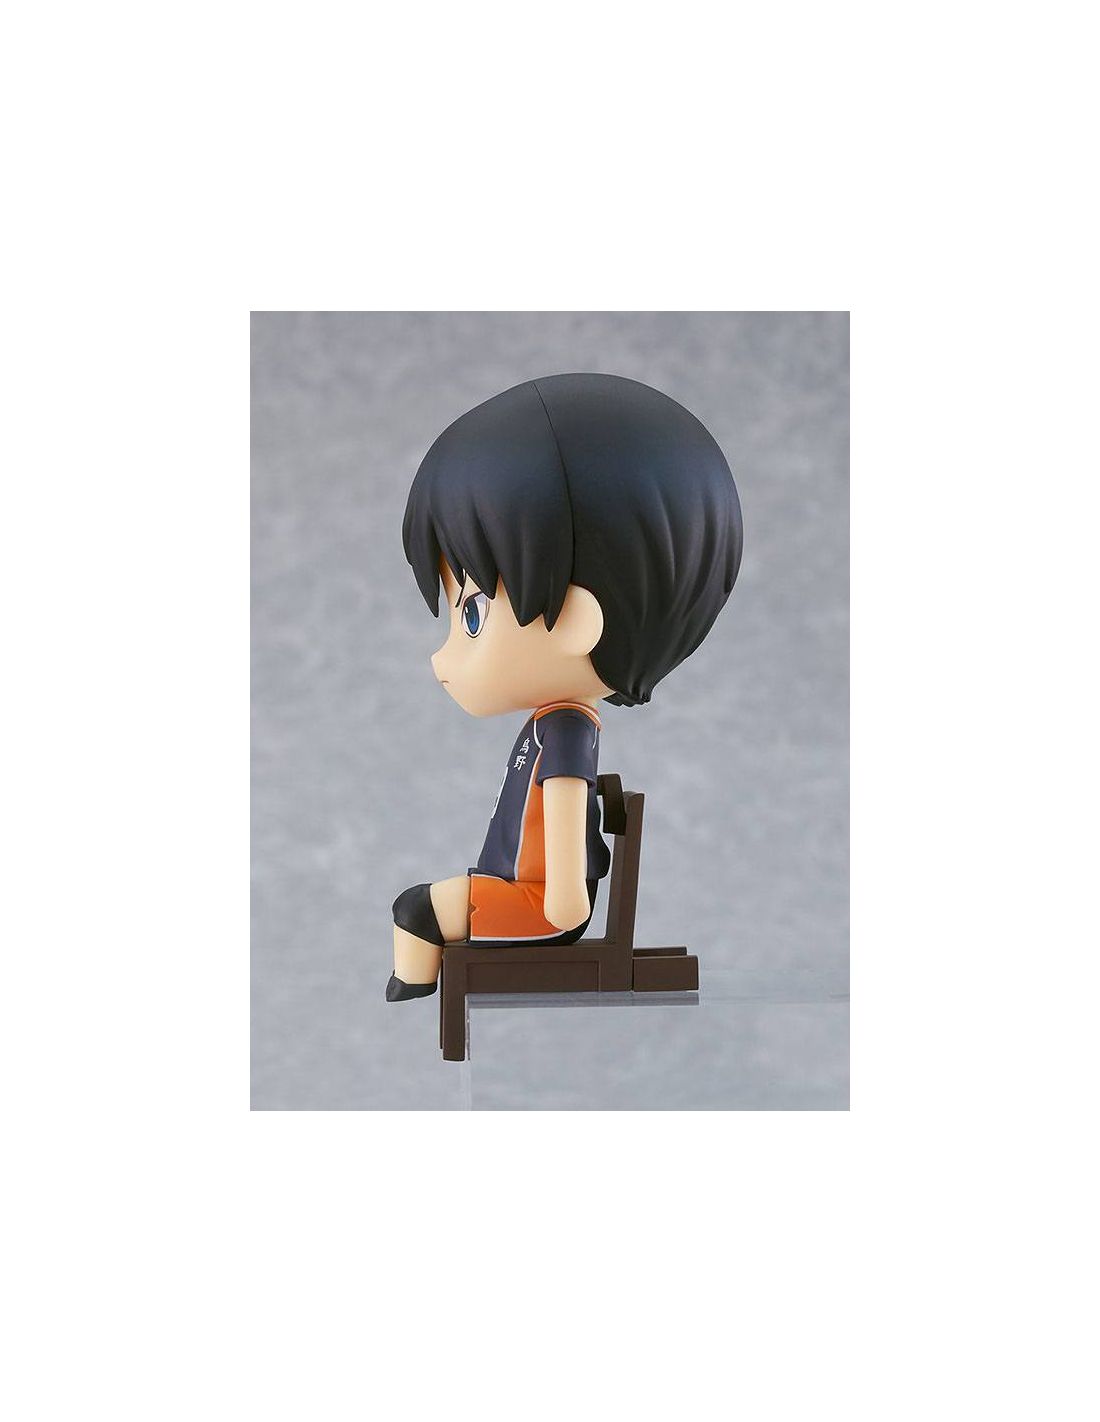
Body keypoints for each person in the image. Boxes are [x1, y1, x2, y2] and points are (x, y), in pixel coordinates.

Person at [386, 373, 743, 1000]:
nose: (445, 656)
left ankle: (414, 987)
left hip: (539, 905)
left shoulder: (568, 731)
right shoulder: (554, 722)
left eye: (473, 615)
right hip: (516, 886)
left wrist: (566, 899)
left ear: (575, 620)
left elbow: (565, 805)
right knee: (421, 908)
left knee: (415, 912)